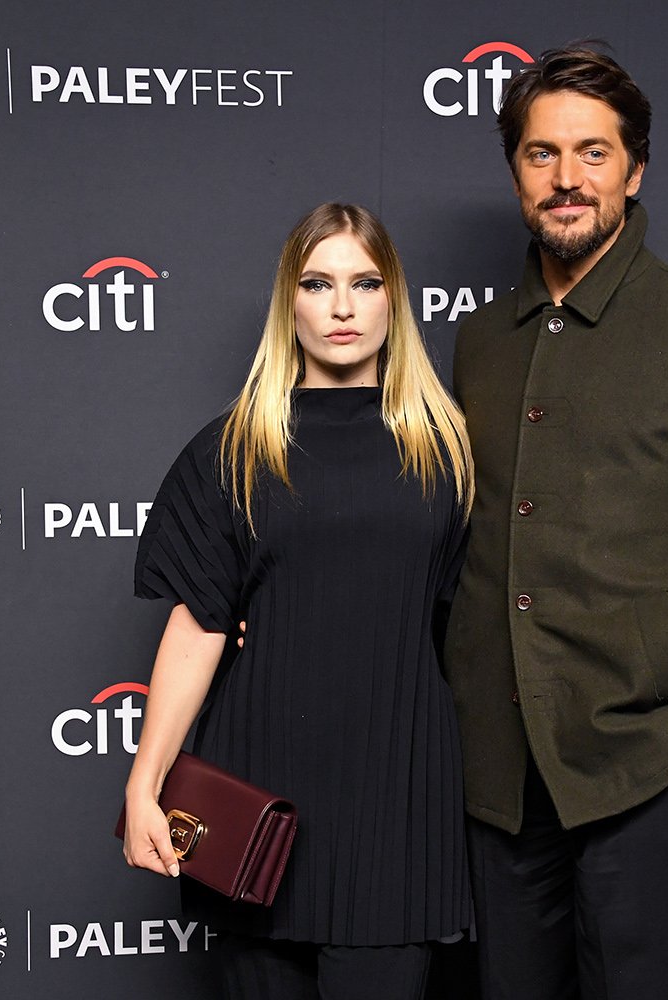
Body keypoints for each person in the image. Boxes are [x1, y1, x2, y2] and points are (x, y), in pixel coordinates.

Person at [444, 45, 668, 998]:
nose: (567, 179)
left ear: (635, 167)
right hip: (501, 787)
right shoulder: (480, 341)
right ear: (515, 170)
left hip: (649, 777)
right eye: (540, 154)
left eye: (592, 153)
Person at [123, 203, 474, 1000]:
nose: (342, 307)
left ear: (395, 299)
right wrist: (146, 782)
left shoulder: (449, 449)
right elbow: (197, 626)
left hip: (398, 804)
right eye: (318, 284)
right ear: (290, 301)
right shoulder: (232, 448)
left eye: (364, 282)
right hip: (259, 799)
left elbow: (479, 625)